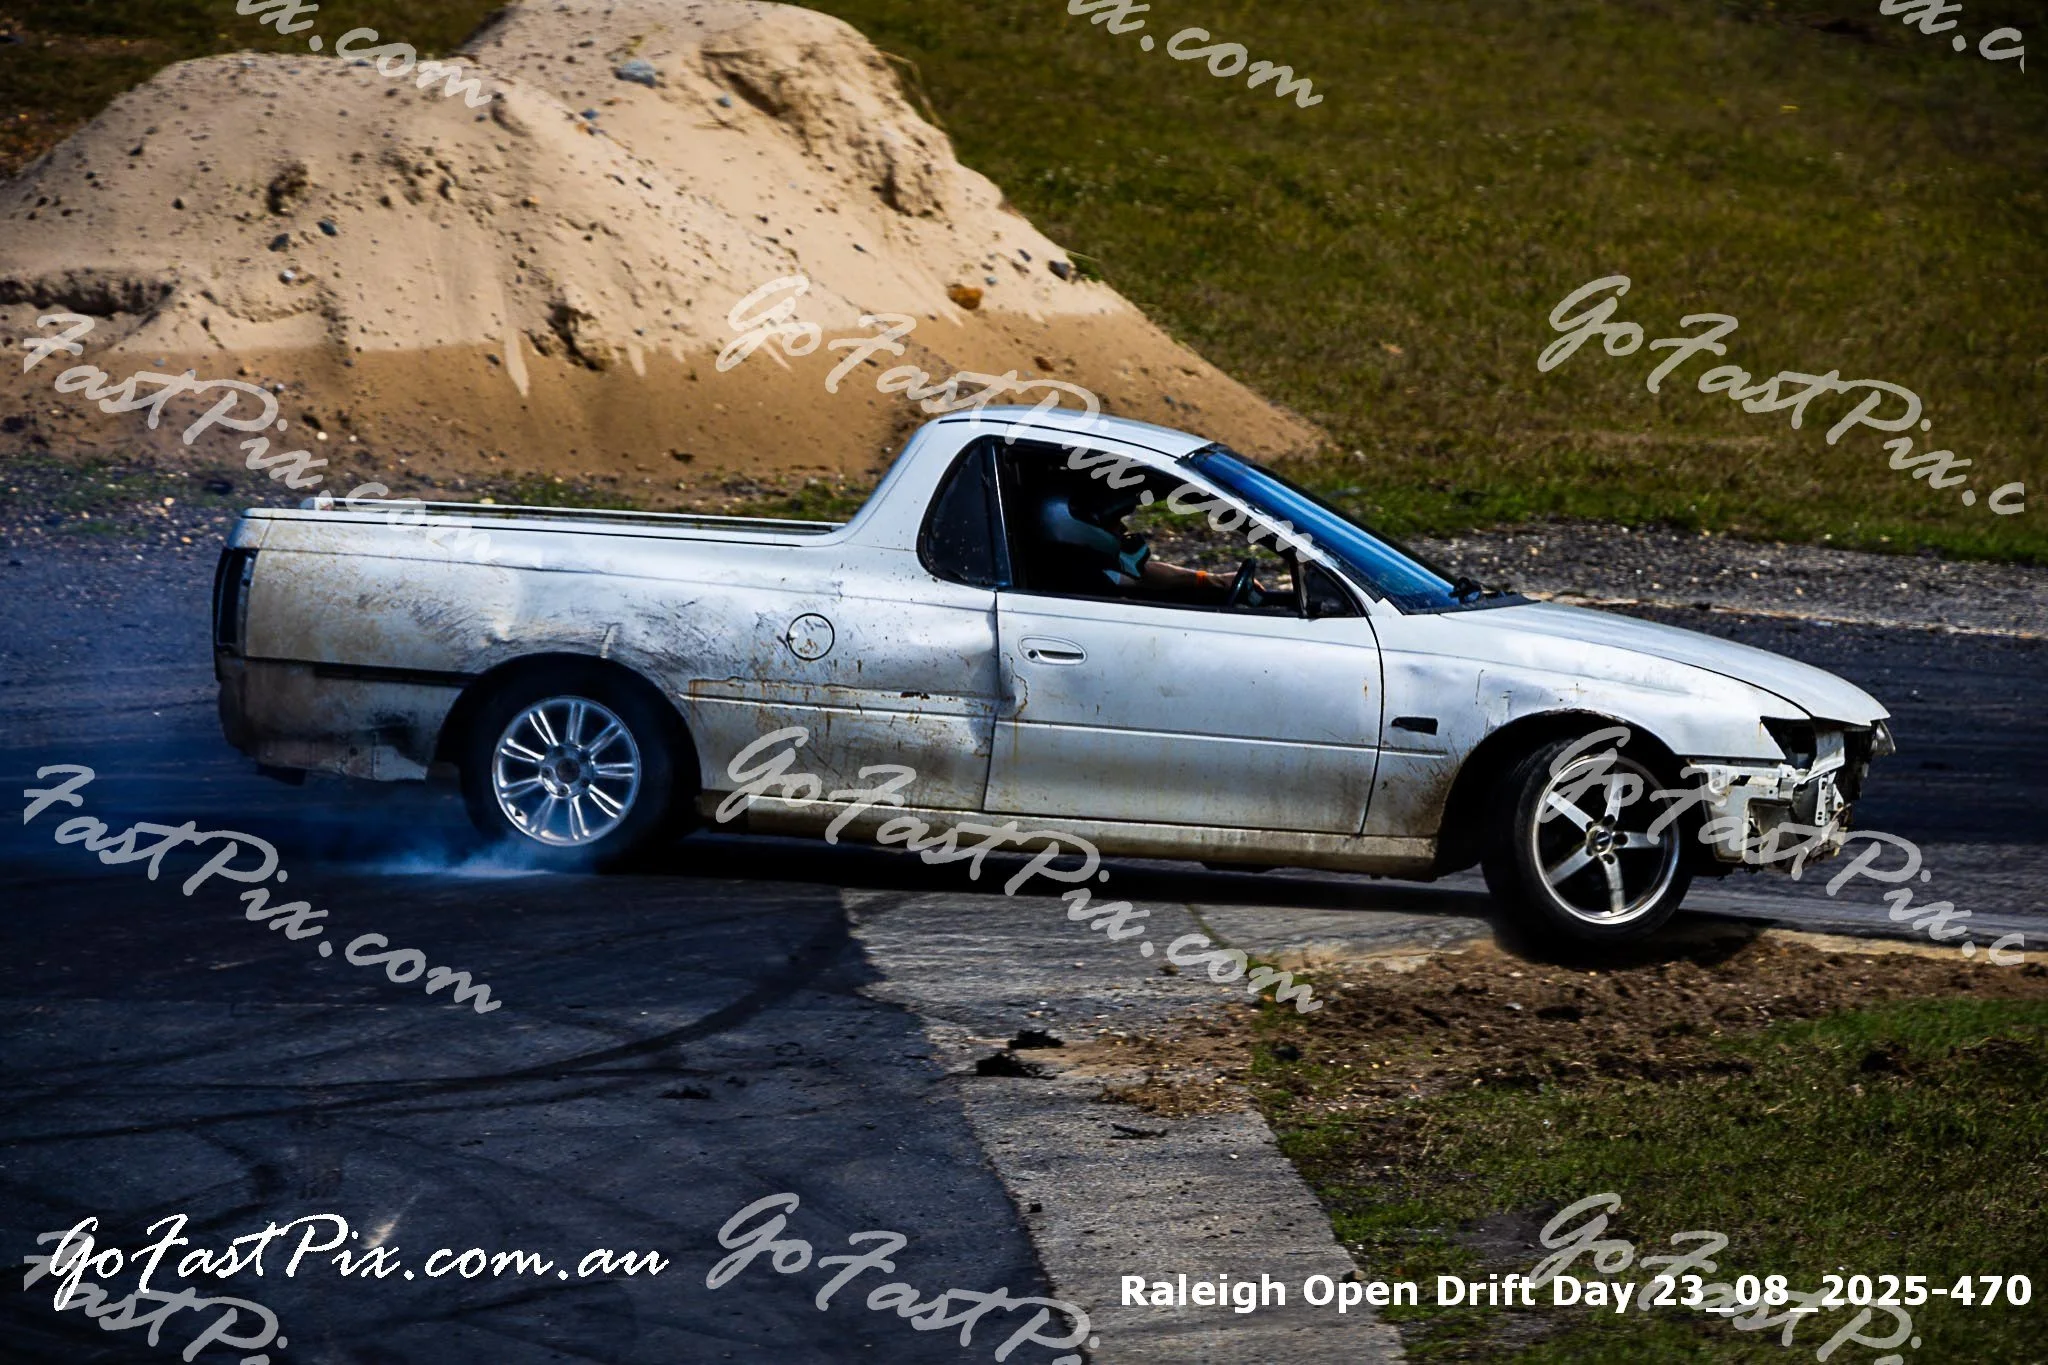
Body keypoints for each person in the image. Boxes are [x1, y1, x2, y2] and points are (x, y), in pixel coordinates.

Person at [1029, 482, 1272, 605]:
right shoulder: (1078, 582)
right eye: (1115, 522)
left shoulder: (1089, 569)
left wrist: (1208, 579)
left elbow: (1142, 576)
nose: (1124, 530)